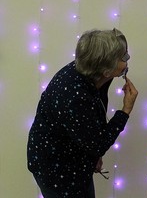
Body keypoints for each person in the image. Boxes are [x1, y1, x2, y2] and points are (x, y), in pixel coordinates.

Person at [27, 28, 138, 198]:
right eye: (123, 57)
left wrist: (92, 155)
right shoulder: (74, 96)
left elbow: (91, 130)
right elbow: (98, 143)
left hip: (74, 158)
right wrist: (126, 110)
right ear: (106, 70)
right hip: (56, 170)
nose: (127, 59)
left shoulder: (90, 72)